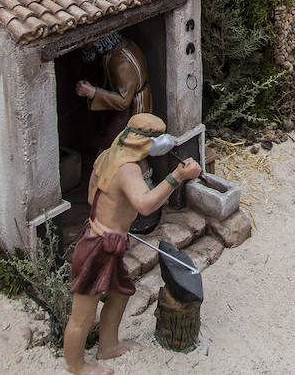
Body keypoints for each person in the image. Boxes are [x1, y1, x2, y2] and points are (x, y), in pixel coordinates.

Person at [64, 113, 201, 375]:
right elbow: (146, 205)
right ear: (144, 141)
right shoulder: (127, 169)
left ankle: (108, 346)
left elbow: (93, 195)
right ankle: (75, 365)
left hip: (111, 241)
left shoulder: (112, 153)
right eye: (157, 137)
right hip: (99, 245)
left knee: (120, 293)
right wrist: (177, 176)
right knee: (83, 312)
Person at [75, 34, 152, 151]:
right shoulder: (118, 49)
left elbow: (123, 101)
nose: (86, 49)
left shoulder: (121, 62)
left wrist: (93, 93)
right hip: (128, 105)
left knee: (123, 149)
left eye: (88, 46)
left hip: (133, 110)